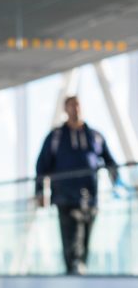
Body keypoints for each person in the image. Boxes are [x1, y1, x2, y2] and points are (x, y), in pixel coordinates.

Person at [36, 96, 118, 275]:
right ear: (66, 110)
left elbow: (110, 161)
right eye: (72, 105)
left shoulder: (94, 135)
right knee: (72, 242)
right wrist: (40, 192)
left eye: (78, 105)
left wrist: (117, 183)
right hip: (65, 198)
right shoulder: (56, 136)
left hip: (91, 198)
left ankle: (80, 274)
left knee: (85, 242)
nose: (76, 108)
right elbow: (42, 165)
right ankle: (73, 275)